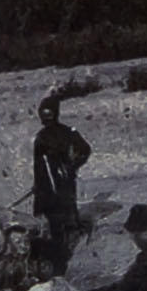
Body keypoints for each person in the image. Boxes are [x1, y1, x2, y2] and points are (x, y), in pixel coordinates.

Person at [31, 94, 92, 274]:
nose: (45, 117)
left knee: (62, 220)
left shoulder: (66, 132)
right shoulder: (42, 136)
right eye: (43, 113)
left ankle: (61, 260)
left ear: (55, 113)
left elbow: (85, 150)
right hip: (49, 186)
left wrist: (72, 165)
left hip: (60, 184)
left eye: (48, 112)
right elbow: (38, 166)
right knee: (57, 221)